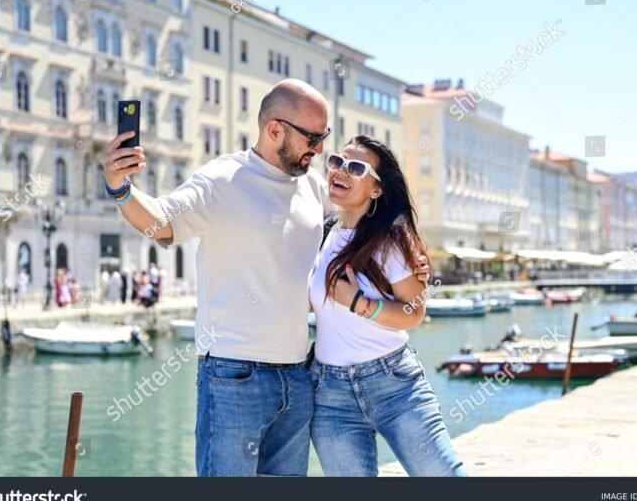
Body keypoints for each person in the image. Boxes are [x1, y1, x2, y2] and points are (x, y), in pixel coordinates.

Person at [103, 79, 428, 477]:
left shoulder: (312, 184)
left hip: (298, 376)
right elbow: (158, 222)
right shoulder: (221, 179)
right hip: (233, 377)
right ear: (275, 130)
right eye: (312, 137)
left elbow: (368, 207)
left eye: (323, 137)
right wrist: (120, 187)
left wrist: (410, 255)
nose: (321, 149)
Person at [308, 136, 466, 477]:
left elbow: (415, 313)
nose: (340, 170)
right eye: (337, 161)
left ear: (377, 190)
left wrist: (357, 303)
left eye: (355, 167)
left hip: (393, 385)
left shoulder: (391, 240)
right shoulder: (323, 236)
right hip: (329, 394)